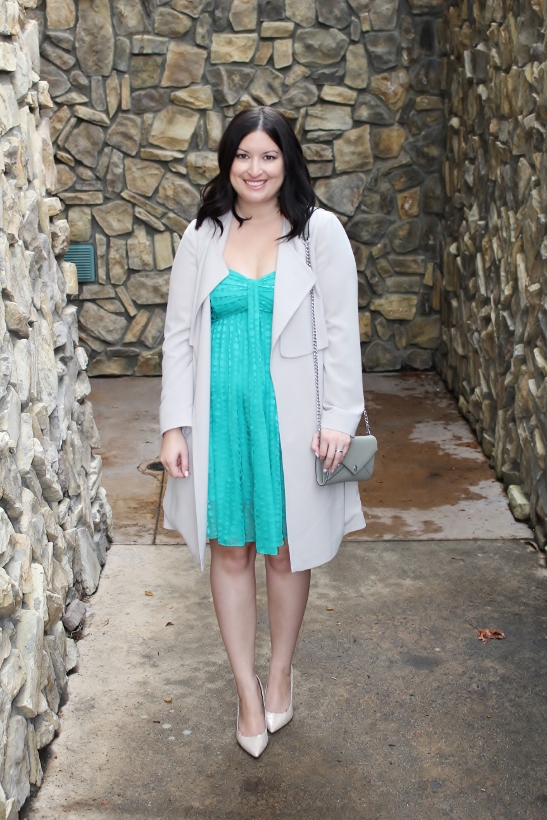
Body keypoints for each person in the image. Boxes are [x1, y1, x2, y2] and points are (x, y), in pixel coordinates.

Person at [159, 106, 365, 758]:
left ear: (287, 162)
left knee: (284, 549)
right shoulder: (202, 235)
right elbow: (178, 338)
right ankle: (246, 691)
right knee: (230, 550)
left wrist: (339, 419)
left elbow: (341, 332)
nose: (255, 168)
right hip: (220, 420)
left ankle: (279, 675)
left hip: (292, 421)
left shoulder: (317, 232)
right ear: (228, 163)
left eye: (268, 156)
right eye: (243, 155)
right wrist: (173, 427)